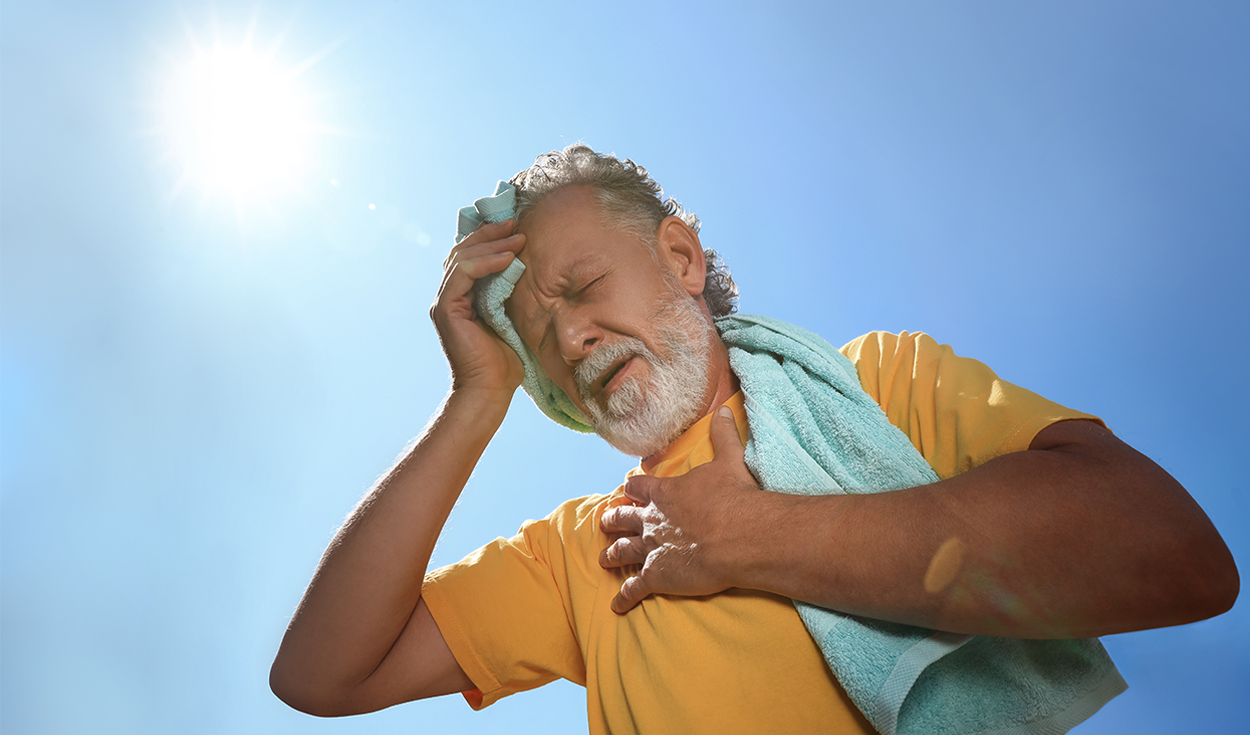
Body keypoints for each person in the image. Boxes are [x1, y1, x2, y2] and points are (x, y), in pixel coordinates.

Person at [270, 146, 1238, 734]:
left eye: (580, 288)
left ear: (680, 258)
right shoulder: (582, 552)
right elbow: (322, 674)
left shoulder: (884, 385)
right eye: (538, 343)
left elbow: (1173, 555)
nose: (568, 337)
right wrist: (474, 399)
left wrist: (749, 539)